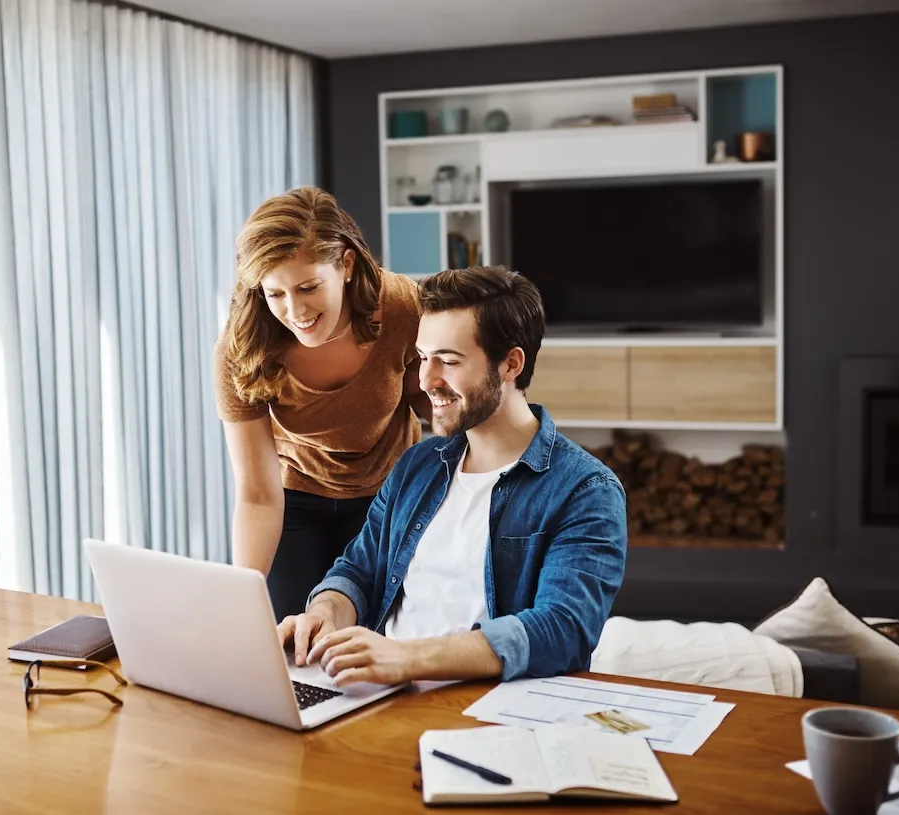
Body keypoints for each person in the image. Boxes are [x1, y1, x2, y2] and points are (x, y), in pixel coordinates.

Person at [276, 265, 628, 685]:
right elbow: (359, 571)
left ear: (511, 363)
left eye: (448, 360)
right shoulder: (417, 465)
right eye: (423, 358)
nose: (426, 380)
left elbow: (563, 630)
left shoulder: (585, 490)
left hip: (488, 707)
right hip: (382, 693)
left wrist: (408, 658)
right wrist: (323, 614)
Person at [214, 187, 431, 621]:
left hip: (387, 494)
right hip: (294, 496)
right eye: (274, 294)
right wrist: (242, 604)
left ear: (346, 265)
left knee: (376, 636)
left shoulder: (401, 308)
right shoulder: (242, 351)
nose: (294, 311)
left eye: (308, 286)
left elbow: (432, 404)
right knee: (291, 642)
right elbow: (257, 493)